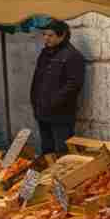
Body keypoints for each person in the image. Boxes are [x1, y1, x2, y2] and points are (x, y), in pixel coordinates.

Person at [30, 20, 86, 155]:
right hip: (42, 111)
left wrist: (53, 102)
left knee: (62, 151)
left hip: (61, 114)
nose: (46, 38)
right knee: (47, 150)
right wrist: (35, 101)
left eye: (50, 35)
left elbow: (74, 85)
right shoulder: (45, 53)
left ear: (62, 36)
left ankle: (63, 176)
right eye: (44, 34)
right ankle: (47, 176)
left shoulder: (73, 56)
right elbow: (38, 79)